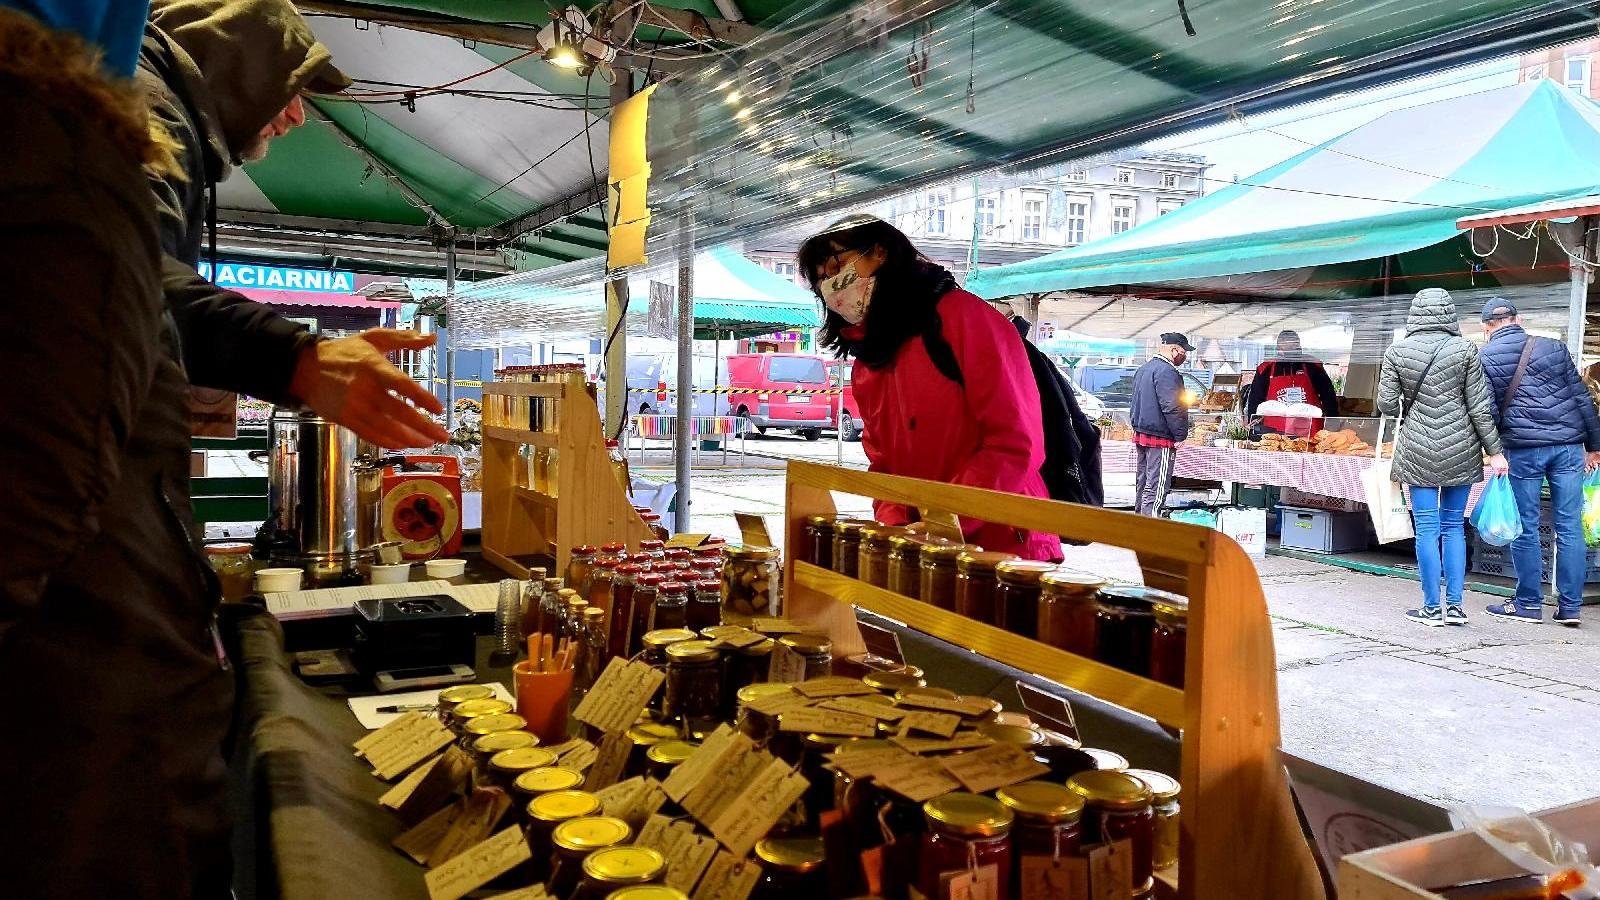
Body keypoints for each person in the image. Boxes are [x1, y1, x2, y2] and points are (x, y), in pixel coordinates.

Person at [798, 216, 1061, 561]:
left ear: (880, 252)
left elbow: (1015, 444)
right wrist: (895, 526)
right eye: (821, 280)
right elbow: (883, 463)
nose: (832, 285)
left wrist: (942, 520)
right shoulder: (869, 361)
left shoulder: (964, 318)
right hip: (923, 550)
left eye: (837, 266)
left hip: (1004, 549)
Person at [1377, 288, 1507, 627]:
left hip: (1417, 446)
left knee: (1427, 529)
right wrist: (1494, 451)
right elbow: (1480, 408)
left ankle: (1431, 608)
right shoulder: (1465, 350)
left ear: (1415, 312)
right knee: (1453, 528)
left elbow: (1387, 406)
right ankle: (1456, 606)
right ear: (1449, 312)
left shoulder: (1397, 351)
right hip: (1461, 448)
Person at [1478, 298, 1600, 626]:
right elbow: (1581, 398)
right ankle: (1571, 607)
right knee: (1569, 524)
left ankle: (1529, 603)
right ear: (1518, 319)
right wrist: (1595, 446)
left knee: (1527, 526)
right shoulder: (1553, 347)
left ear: (1486, 326)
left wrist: (1493, 451)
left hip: (1523, 450)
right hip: (1568, 447)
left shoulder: (1484, 357)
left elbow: (1486, 410)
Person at [1129, 333, 1194, 516]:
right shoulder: (1168, 372)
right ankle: (1150, 530)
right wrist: (1180, 434)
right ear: (1174, 350)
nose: (1184, 356)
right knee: (1156, 486)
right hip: (1161, 437)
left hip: (1142, 433)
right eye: (1182, 352)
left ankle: (1138, 525)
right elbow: (1172, 406)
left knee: (1142, 483)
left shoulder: (1144, 369)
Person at [1245, 329, 1340, 435]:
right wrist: (1253, 426)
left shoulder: (1312, 365)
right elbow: (1255, 399)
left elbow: (1328, 396)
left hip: (1310, 429)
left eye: (1293, 345)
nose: (1290, 349)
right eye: (1286, 345)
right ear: (1278, 347)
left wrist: (1333, 423)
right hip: (1274, 430)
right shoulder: (1266, 368)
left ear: (1299, 345)